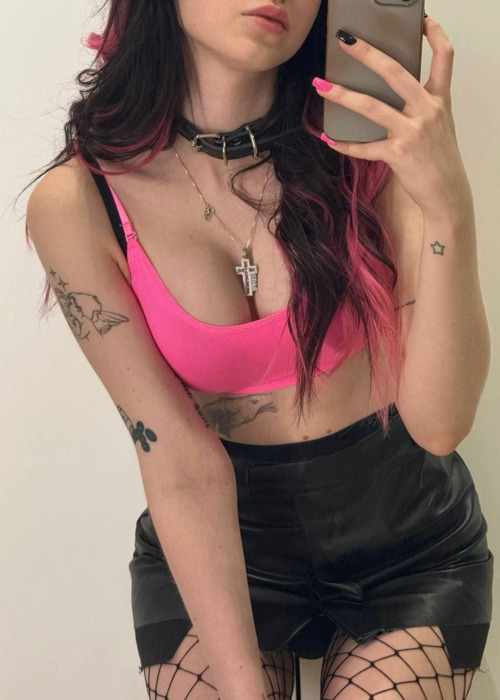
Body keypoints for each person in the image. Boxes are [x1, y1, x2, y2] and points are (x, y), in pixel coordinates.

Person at [24, 1, 493, 699]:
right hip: (220, 547)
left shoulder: (369, 145)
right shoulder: (79, 201)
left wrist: (449, 204)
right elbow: (180, 463)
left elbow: (440, 424)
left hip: (406, 540)